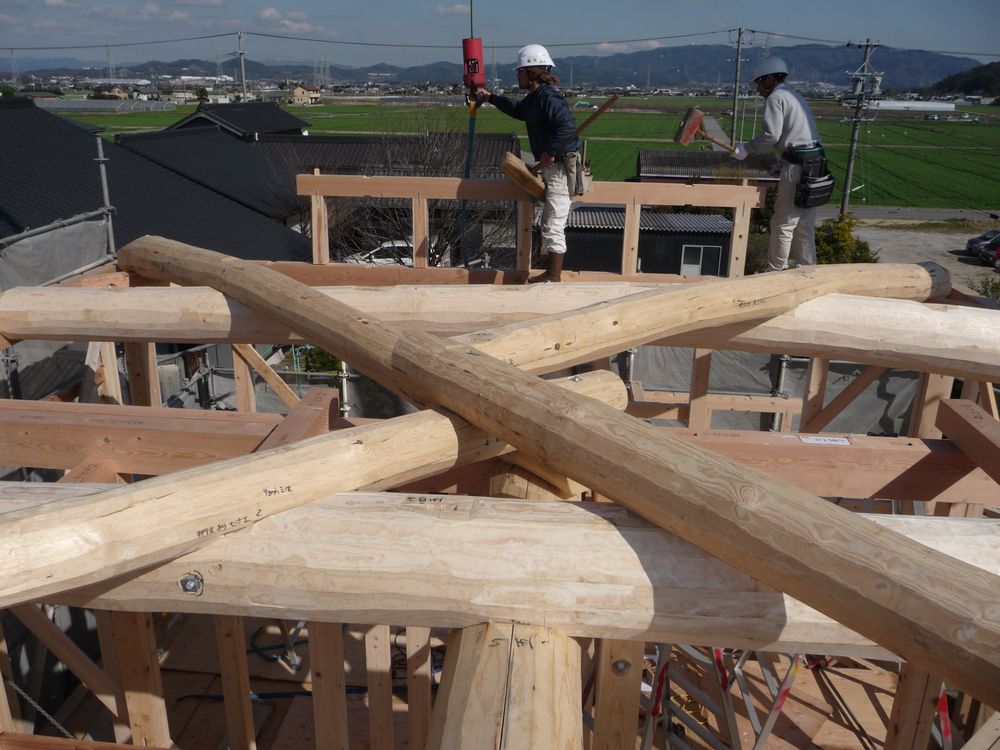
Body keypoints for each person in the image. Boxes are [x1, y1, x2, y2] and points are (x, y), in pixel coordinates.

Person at [474, 44, 579, 282]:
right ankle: (551, 275)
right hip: (553, 167)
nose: (517, 75)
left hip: (560, 169)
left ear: (531, 72)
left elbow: (568, 128)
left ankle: (553, 276)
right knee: (549, 222)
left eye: (520, 71)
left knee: (553, 224)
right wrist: (491, 98)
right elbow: (518, 110)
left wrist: (550, 151)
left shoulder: (548, 97)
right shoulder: (536, 99)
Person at [733, 56, 824, 272]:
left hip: (798, 166)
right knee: (804, 224)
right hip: (816, 162)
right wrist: (782, 161)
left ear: (769, 79)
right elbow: (800, 135)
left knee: (783, 222)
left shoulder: (776, 98)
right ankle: (808, 270)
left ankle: (775, 271)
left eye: (758, 83)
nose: (758, 90)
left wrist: (746, 148)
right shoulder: (794, 96)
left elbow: (772, 136)